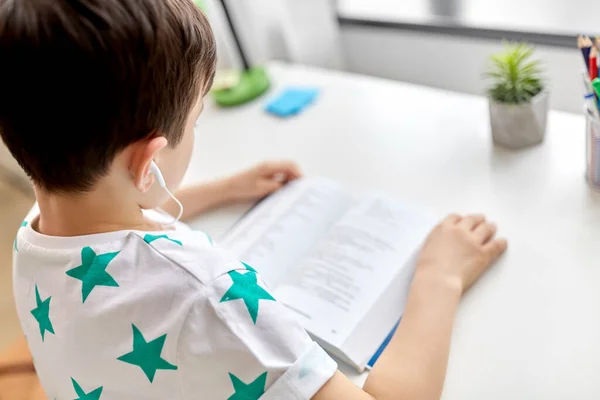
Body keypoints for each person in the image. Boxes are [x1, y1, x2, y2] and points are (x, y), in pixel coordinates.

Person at [0, 0, 507, 399]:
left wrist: (225, 189)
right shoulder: (211, 300)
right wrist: (439, 276)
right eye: (196, 119)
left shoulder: (37, 230)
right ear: (147, 161)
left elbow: (115, 217)